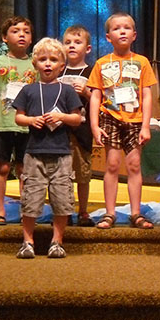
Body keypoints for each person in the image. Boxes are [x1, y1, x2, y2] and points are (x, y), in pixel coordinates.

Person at [13, 38, 82, 259]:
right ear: (35, 63)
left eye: (53, 60)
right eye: (43, 59)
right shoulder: (28, 90)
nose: (48, 64)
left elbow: (77, 118)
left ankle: (57, 241)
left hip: (61, 153)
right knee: (31, 197)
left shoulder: (67, 90)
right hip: (34, 153)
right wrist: (32, 120)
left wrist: (61, 116)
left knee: (62, 198)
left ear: (62, 64)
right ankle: (28, 241)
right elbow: (18, 117)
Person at [88, 12, 157, 229]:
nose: (122, 31)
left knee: (134, 165)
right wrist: (94, 126)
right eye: (117, 28)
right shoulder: (101, 63)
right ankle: (110, 213)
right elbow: (96, 96)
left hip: (135, 120)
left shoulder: (141, 62)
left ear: (134, 34)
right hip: (110, 117)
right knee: (112, 164)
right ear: (109, 37)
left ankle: (136, 213)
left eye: (127, 28)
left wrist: (146, 125)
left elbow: (147, 95)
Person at [0, 16, 37, 225]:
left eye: (26, 31)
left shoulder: (35, 64)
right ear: (5, 37)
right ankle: (0, 210)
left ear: (31, 38)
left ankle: (26, 210)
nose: (21, 34)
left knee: (25, 168)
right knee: (2, 168)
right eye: (16, 31)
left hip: (27, 124)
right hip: (2, 122)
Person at [59, 25, 94, 227]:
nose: (72, 46)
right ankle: (66, 209)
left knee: (82, 173)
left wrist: (87, 93)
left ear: (87, 48)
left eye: (77, 42)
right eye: (68, 42)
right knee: (63, 174)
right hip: (61, 131)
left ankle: (83, 211)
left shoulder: (91, 71)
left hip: (82, 130)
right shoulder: (57, 70)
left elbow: (100, 101)